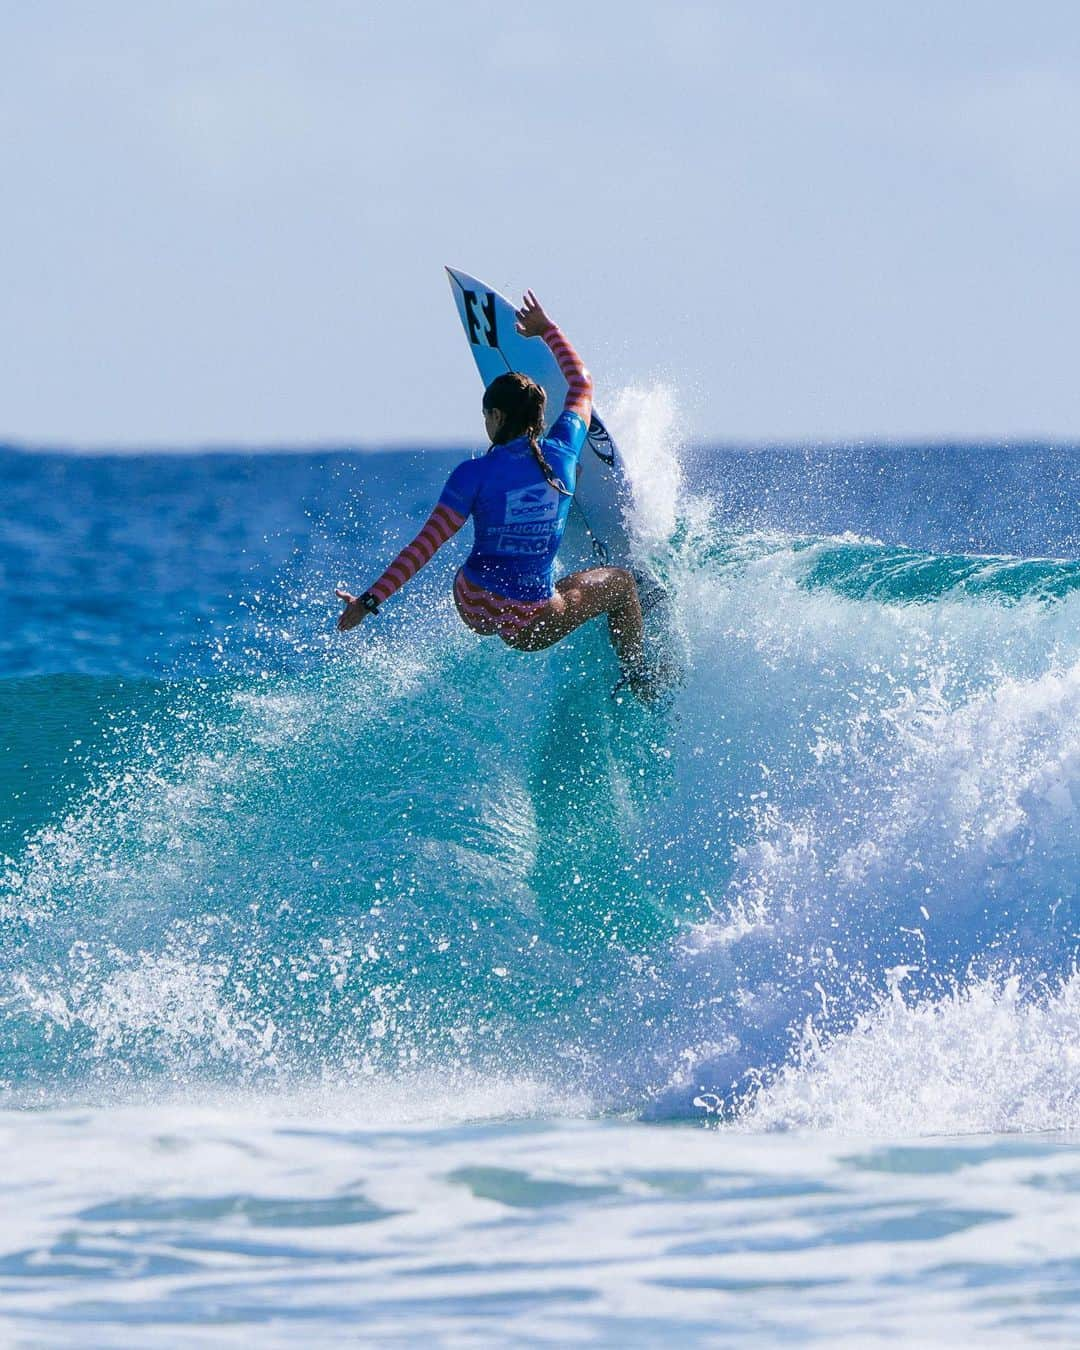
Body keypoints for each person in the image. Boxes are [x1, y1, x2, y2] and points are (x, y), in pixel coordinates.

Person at [336, 291, 650, 698]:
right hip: (532, 622)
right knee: (622, 584)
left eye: (486, 415)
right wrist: (547, 330)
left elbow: (423, 547)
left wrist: (368, 602)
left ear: (497, 417)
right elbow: (581, 384)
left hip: (472, 604)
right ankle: (639, 675)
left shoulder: (472, 475)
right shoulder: (565, 450)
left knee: (492, 545)